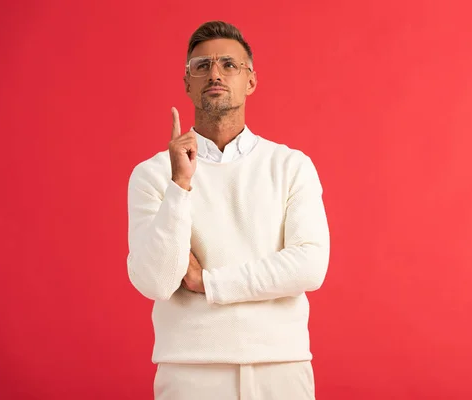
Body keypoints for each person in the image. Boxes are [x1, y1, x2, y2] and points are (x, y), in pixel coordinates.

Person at [126, 20, 330, 400]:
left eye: (229, 65)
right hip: (189, 372)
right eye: (201, 66)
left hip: (281, 368)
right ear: (187, 82)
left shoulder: (290, 166)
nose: (215, 74)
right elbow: (155, 281)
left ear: (250, 80)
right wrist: (180, 186)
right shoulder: (154, 175)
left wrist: (208, 283)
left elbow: (309, 266)